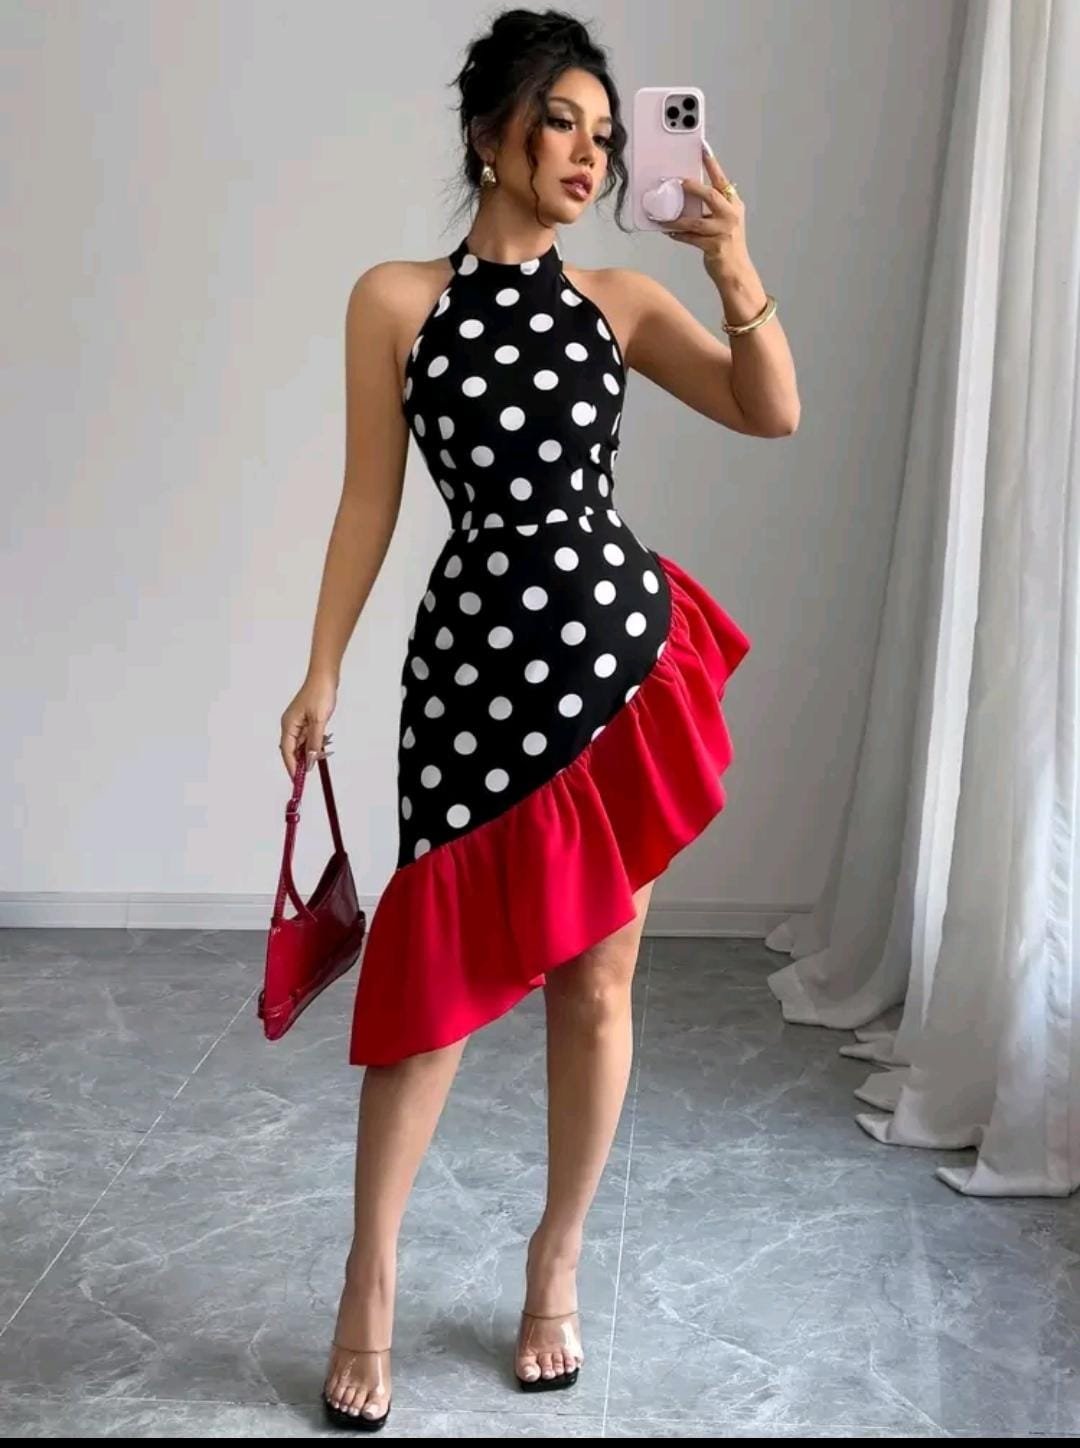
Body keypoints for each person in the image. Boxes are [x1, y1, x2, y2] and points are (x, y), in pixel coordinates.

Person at [278, 6, 798, 1431]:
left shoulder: (618, 301)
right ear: (486, 133)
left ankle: (555, 1262)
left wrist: (732, 262)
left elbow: (771, 411)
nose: (589, 154)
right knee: (433, 994)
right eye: (561, 122)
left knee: (599, 981)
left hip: (612, 672)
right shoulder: (396, 299)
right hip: (469, 676)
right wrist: (322, 668)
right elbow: (370, 498)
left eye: (606, 135)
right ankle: (369, 1282)